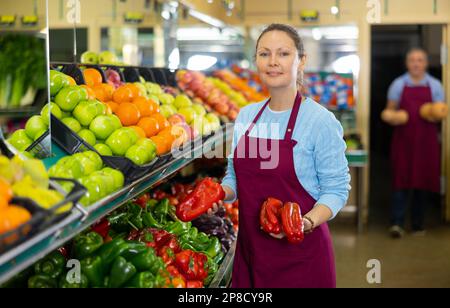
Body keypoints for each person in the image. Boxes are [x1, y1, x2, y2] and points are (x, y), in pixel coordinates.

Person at [220, 24, 351, 288]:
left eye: (283, 54)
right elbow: (235, 176)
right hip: (251, 253)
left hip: (302, 257)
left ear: (301, 60)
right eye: (264, 54)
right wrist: (219, 194)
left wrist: (306, 222)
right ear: (256, 60)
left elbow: (336, 190)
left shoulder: (319, 121)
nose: (273, 62)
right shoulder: (247, 116)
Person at [382, 48, 446, 238]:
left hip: (426, 142)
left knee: (422, 182)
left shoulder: (435, 85)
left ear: (425, 63)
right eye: (412, 60)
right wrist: (394, 116)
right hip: (404, 141)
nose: (416, 64)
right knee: (401, 181)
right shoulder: (398, 84)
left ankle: (418, 224)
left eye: (420, 60)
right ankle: (397, 223)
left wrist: (433, 114)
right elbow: (389, 110)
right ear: (407, 63)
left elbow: (440, 112)